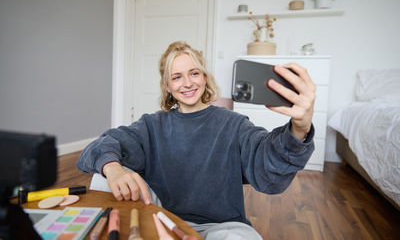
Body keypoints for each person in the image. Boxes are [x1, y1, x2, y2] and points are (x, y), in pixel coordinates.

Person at [77, 41, 316, 239]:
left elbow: (269, 167)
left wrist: (299, 128)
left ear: (204, 77)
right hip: (162, 217)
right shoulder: (151, 125)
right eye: (177, 77)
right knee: (103, 175)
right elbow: (100, 146)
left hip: (221, 227)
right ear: (168, 86)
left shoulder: (234, 124)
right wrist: (113, 168)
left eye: (194, 73)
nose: (188, 83)